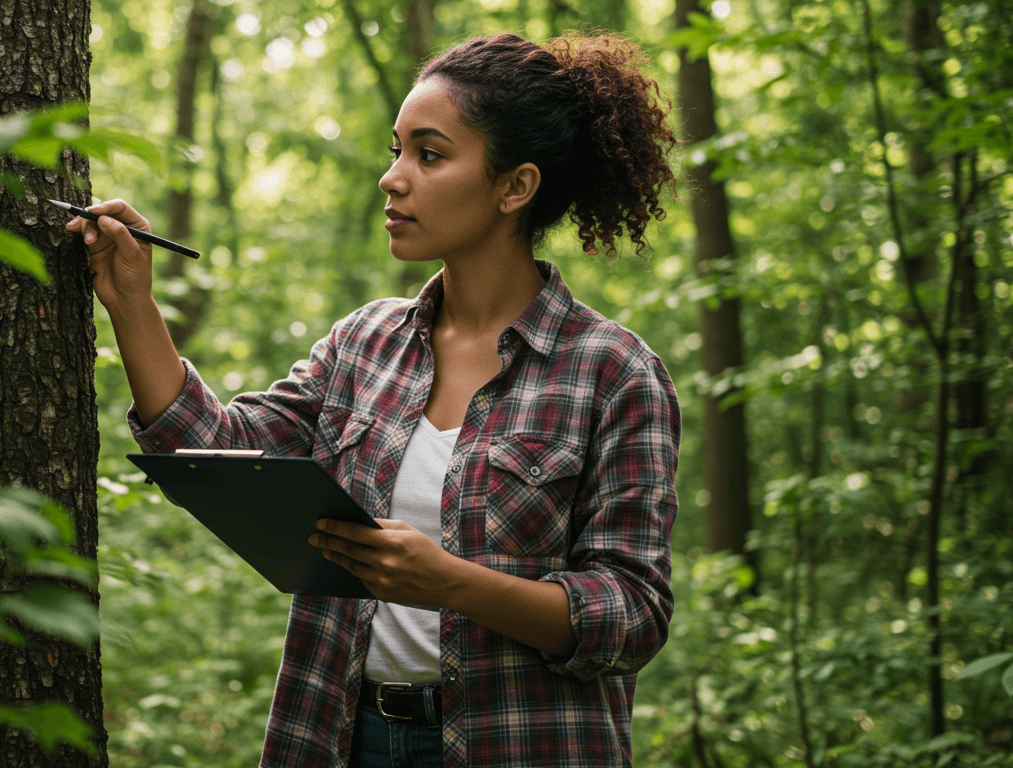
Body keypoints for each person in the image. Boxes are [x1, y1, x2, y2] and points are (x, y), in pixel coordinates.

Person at [67, 31, 680, 768]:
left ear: (515, 186)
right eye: (396, 150)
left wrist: (452, 584)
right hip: (338, 736)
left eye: (428, 154)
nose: (392, 178)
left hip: (516, 742)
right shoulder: (365, 344)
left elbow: (633, 618)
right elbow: (212, 445)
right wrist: (132, 301)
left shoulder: (613, 373)